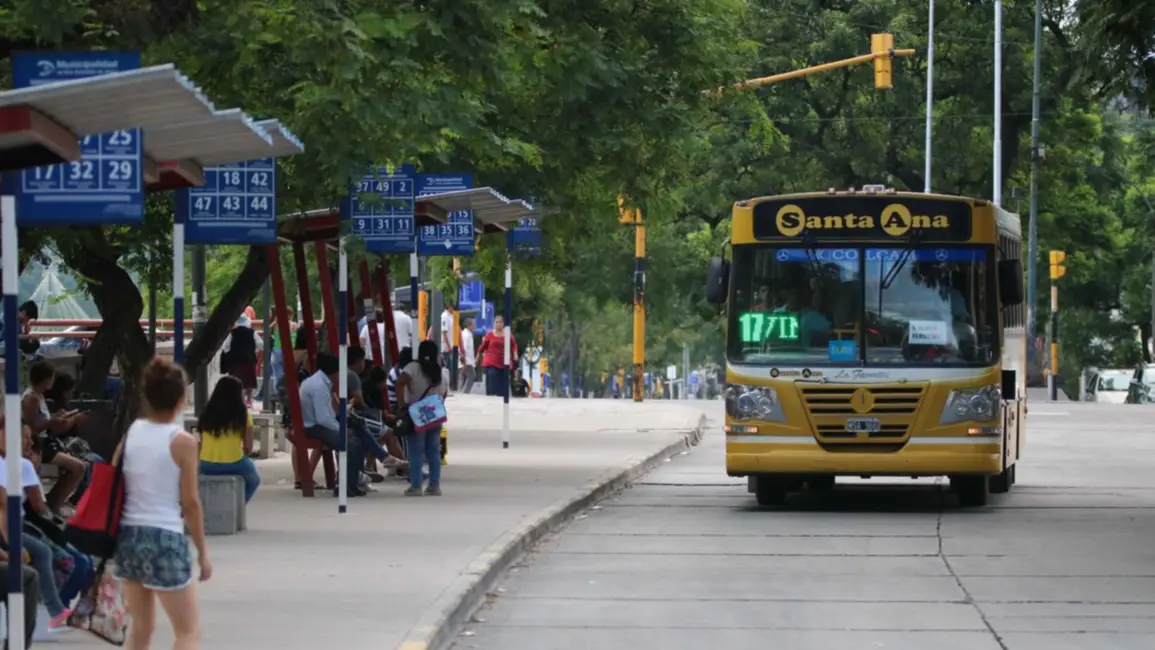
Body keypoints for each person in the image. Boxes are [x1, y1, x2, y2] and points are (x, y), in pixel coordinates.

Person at [116, 358, 209, 650]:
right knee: (188, 632)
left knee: (141, 630)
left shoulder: (132, 432)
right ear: (182, 398)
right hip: (165, 537)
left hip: (129, 536)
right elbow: (190, 502)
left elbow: (113, 478)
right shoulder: (183, 442)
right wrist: (203, 553)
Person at [0, 414, 73, 630]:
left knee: (41, 556)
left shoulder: (12, 463)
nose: (23, 441)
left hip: (16, 526)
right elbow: (14, 507)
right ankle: (54, 609)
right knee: (40, 556)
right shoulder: (15, 464)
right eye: (11, 434)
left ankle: (52, 609)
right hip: (15, 528)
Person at [21, 361, 87, 514]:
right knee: (78, 467)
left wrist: (55, 417)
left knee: (79, 466)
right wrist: (51, 422)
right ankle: (54, 503)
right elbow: (31, 428)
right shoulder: (32, 398)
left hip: (44, 442)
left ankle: (54, 501)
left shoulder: (39, 396)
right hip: (38, 444)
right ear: (47, 379)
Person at [300, 352, 366, 498]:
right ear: (334, 373)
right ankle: (343, 486)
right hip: (313, 427)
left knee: (356, 442)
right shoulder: (318, 386)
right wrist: (341, 429)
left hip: (317, 425)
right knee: (351, 445)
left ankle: (351, 484)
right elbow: (323, 419)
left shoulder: (320, 382)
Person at [395, 341, 448, 496]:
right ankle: (434, 485)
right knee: (434, 450)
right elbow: (444, 393)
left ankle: (416, 485)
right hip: (435, 413)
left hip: (416, 413)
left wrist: (401, 405)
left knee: (416, 450)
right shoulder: (441, 372)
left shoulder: (413, 367)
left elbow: (400, 382)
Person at [197, 376, 261, 504]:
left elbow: (202, 443)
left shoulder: (206, 413)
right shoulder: (243, 414)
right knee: (254, 480)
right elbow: (248, 447)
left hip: (206, 464)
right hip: (234, 462)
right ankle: (236, 505)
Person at [223, 314, 262, 406]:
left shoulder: (232, 333)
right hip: (249, 359)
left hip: (235, 360)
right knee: (249, 381)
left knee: (235, 380)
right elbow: (260, 343)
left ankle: (238, 400)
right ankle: (249, 400)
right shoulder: (252, 332)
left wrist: (231, 353)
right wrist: (253, 351)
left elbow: (226, 346)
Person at [475, 315, 518, 397]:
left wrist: (515, 354)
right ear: (494, 324)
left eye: (500, 322)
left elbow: (514, 345)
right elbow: (481, 348)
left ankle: (500, 399)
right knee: (492, 385)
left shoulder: (508, 335)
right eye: (497, 322)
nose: (499, 324)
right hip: (491, 363)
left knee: (502, 388)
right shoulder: (490, 335)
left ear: (503, 324)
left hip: (504, 363)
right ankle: (491, 399)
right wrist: (477, 359)